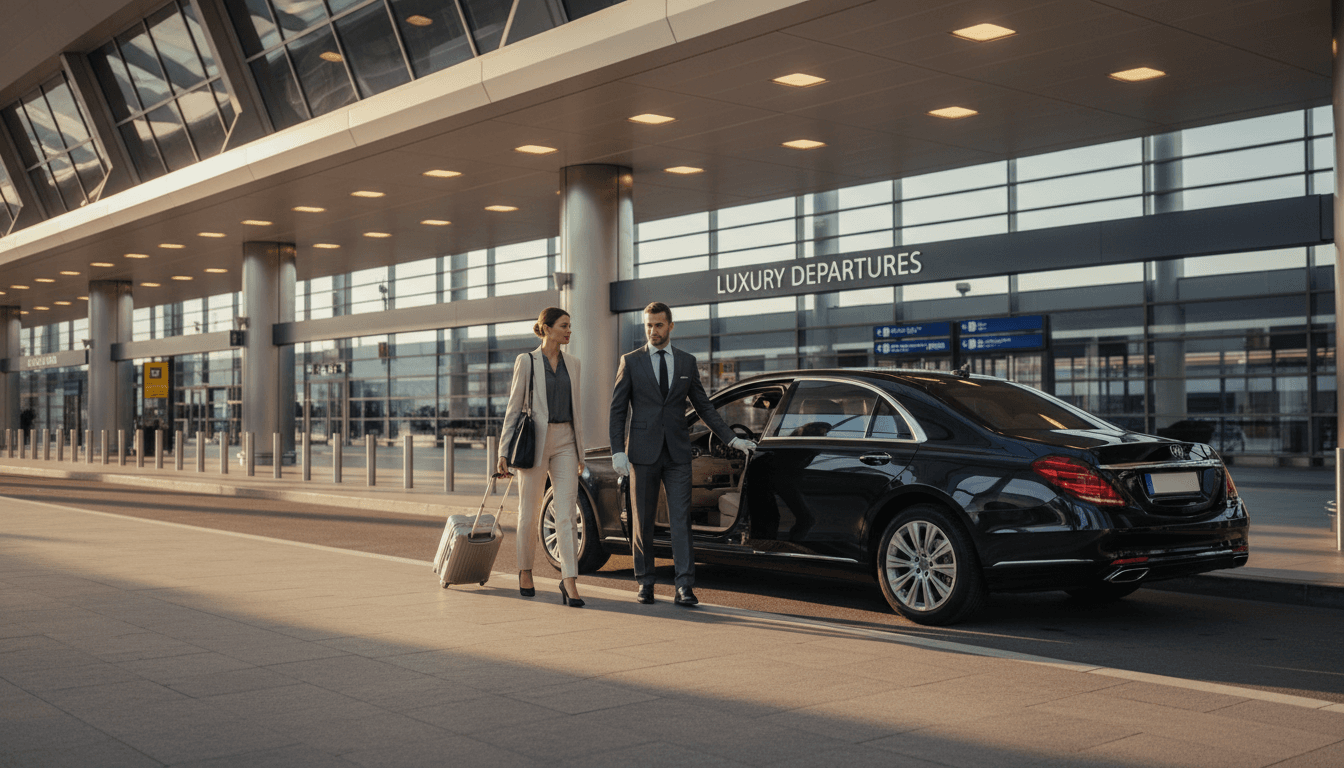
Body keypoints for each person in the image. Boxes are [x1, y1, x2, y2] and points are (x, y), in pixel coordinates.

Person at [609, 302, 757, 606]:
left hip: (677, 453)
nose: (652, 331)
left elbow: (704, 407)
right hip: (642, 452)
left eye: (658, 325)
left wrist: (732, 439)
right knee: (643, 520)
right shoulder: (631, 361)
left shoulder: (687, 363)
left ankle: (684, 587)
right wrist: (617, 451)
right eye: (648, 325)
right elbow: (618, 410)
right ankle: (645, 582)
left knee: (680, 520)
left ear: (670, 326)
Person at [498, 307, 587, 608]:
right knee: (528, 511)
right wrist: (503, 451)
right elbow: (513, 407)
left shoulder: (573, 363)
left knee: (566, 514)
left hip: (566, 442)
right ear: (547, 329)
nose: (569, 331)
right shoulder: (527, 361)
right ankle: (525, 571)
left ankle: (569, 580)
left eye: (570, 326)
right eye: (564, 326)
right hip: (535, 441)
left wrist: (580, 450)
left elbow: (576, 409)